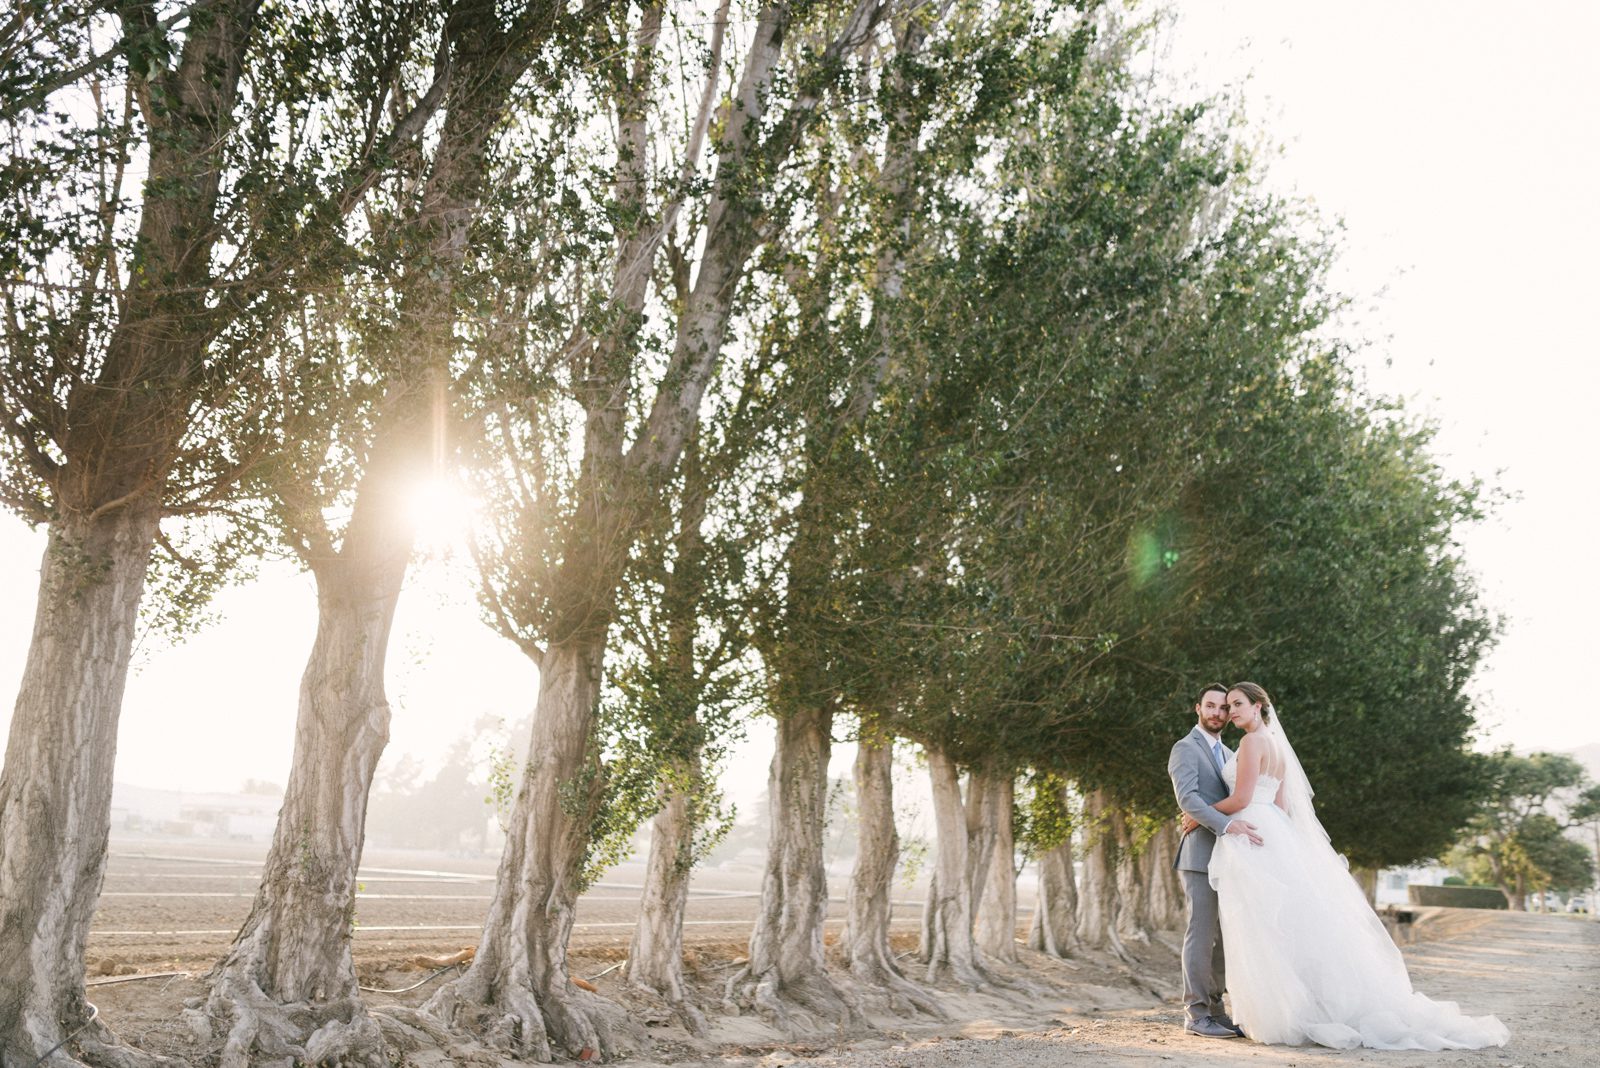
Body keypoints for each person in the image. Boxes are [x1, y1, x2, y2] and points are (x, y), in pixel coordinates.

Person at [1203, 681, 1509, 1050]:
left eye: (1237, 704)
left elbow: (1241, 799)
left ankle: (1281, 1013)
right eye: (1229, 705)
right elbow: (1281, 806)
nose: (1231, 712)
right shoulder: (1277, 745)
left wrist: (1198, 813)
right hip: (1274, 831)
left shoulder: (1252, 742)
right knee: (1284, 926)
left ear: (1258, 706)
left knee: (1264, 925)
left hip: (1251, 831)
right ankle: (1299, 1007)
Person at [1167, 683, 1263, 1039]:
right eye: (1210, 706)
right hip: (1198, 855)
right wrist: (1226, 825)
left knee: (1224, 938)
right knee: (1201, 933)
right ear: (1198, 708)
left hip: (1228, 858)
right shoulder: (1185, 748)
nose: (1218, 713)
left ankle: (1216, 1010)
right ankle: (1195, 1013)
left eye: (1223, 708)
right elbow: (1187, 799)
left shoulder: (1228, 752)